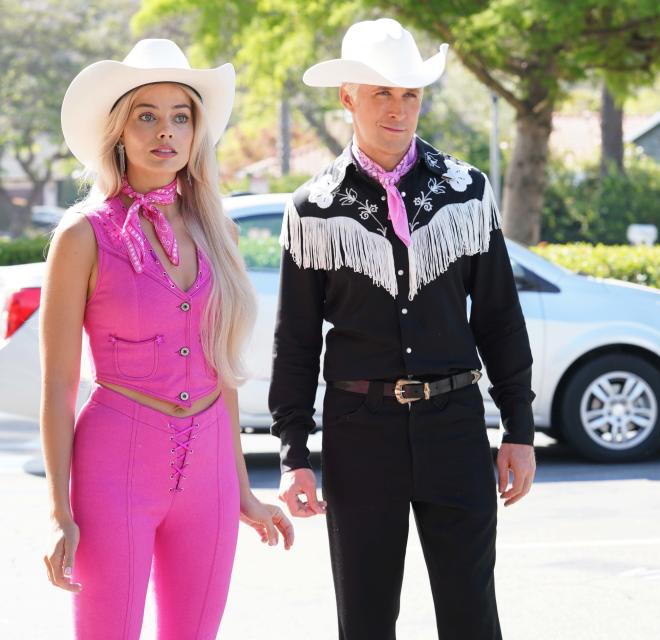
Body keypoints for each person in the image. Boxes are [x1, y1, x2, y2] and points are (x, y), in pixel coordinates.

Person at [269, 18, 536, 640]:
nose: (397, 108)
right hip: (360, 434)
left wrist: (518, 430)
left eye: (409, 94)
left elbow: (500, 318)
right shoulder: (312, 209)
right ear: (347, 98)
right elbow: (297, 340)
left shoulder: (466, 192)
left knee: (472, 614)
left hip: (455, 425)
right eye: (381, 93)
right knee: (364, 618)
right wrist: (293, 455)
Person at [41, 39, 293, 639]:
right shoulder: (82, 235)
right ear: (118, 131)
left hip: (208, 469)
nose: (166, 131)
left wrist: (243, 491)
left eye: (180, 116)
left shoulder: (219, 229)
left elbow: (223, 371)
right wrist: (58, 511)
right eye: (146, 116)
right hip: (112, 467)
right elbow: (56, 386)